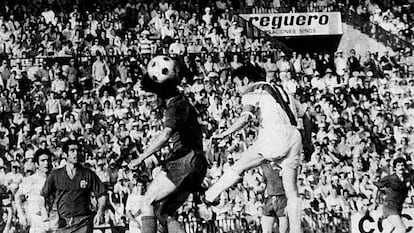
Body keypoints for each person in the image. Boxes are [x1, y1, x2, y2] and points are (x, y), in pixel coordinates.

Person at [203, 64, 309, 233]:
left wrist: (223, 134)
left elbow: (245, 118)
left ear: (245, 80)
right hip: (295, 136)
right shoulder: (282, 90)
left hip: (274, 133)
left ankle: (209, 196)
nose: (237, 89)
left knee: (239, 166)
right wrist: (308, 143)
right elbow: (306, 115)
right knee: (292, 191)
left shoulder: (253, 89)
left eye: (237, 84)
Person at [128, 55, 207, 233]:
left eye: (149, 96)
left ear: (160, 93)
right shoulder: (181, 102)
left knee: (147, 202)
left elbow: (165, 136)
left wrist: (140, 158)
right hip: (197, 163)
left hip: (183, 161)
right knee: (164, 212)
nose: (147, 101)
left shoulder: (174, 106)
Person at [41, 140, 107, 233]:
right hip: (63, 223)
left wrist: (100, 211)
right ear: (64, 154)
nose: (76, 153)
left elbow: (102, 195)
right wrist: (46, 215)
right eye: (72, 151)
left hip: (83, 222)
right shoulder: (56, 174)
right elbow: (43, 196)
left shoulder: (88, 173)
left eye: (78, 150)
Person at [15, 149, 52, 233]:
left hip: (52, 220)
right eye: (43, 160)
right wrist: (21, 215)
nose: (46, 163)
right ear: (36, 164)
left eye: (48, 160)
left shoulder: (55, 179)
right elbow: (17, 196)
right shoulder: (30, 180)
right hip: (37, 220)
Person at [373, 157, 411, 233]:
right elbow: (376, 185)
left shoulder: (408, 177)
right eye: (398, 166)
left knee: (388, 229)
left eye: (402, 165)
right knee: (402, 229)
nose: (401, 167)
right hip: (390, 207)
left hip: (398, 207)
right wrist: (376, 200)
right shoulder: (389, 178)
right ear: (394, 168)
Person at [261, 163, 288, 233]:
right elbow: (263, 184)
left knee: (283, 230)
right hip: (270, 199)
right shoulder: (265, 166)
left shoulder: (284, 165)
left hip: (282, 199)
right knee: (266, 230)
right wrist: (258, 189)